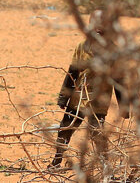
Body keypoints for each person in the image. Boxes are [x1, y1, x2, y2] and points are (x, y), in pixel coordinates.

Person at [50, 10, 129, 168]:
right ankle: (56, 160)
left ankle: (105, 167)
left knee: (97, 134)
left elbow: (119, 81)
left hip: (98, 102)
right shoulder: (82, 47)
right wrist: (63, 97)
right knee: (65, 129)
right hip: (77, 100)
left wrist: (124, 106)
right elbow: (72, 73)